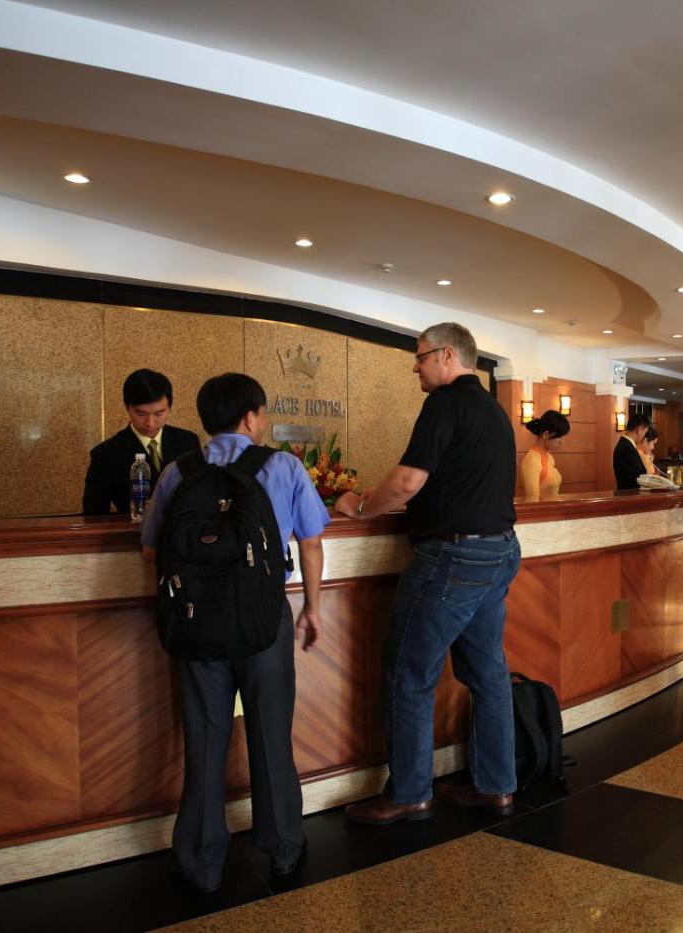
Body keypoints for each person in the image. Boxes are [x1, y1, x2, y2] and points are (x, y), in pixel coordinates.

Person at [140, 373, 328, 892]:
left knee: (204, 736)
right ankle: (284, 847)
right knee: (270, 732)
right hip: (264, 621)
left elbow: (152, 550)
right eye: (262, 414)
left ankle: (201, 861)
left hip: (196, 622)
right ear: (251, 418)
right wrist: (312, 608)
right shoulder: (284, 466)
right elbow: (311, 543)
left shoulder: (177, 472)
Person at [335, 323, 520, 824]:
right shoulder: (494, 410)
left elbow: (408, 482)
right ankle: (497, 786)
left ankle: (410, 793)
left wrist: (360, 507)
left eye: (419, 357)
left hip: (454, 556)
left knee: (408, 671)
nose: (414, 366)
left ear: (446, 355)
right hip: (499, 550)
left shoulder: (445, 402)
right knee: (488, 673)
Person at [82, 368, 200, 515]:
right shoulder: (106, 454)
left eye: (159, 413)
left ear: (169, 407)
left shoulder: (187, 442)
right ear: (127, 407)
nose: (150, 423)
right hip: (133, 528)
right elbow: (94, 514)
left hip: (183, 527)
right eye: (141, 414)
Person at [519, 410, 570, 500]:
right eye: (559, 436)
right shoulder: (532, 461)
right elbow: (533, 500)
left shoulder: (549, 457)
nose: (561, 441)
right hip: (543, 508)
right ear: (546, 434)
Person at [614, 413, 652, 489]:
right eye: (645, 432)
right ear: (639, 430)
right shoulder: (626, 448)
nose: (644, 436)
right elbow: (638, 478)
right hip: (629, 494)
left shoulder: (626, 445)